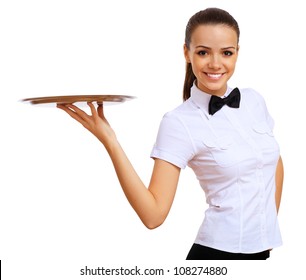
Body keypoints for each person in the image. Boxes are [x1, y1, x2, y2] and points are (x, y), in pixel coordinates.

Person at [57, 7, 284, 260]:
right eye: (203, 52)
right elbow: (153, 216)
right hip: (217, 255)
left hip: (262, 253)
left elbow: (273, 161)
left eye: (226, 52)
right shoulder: (178, 122)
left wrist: (266, 229)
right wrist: (110, 140)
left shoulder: (254, 100)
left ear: (237, 53)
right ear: (187, 53)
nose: (215, 63)